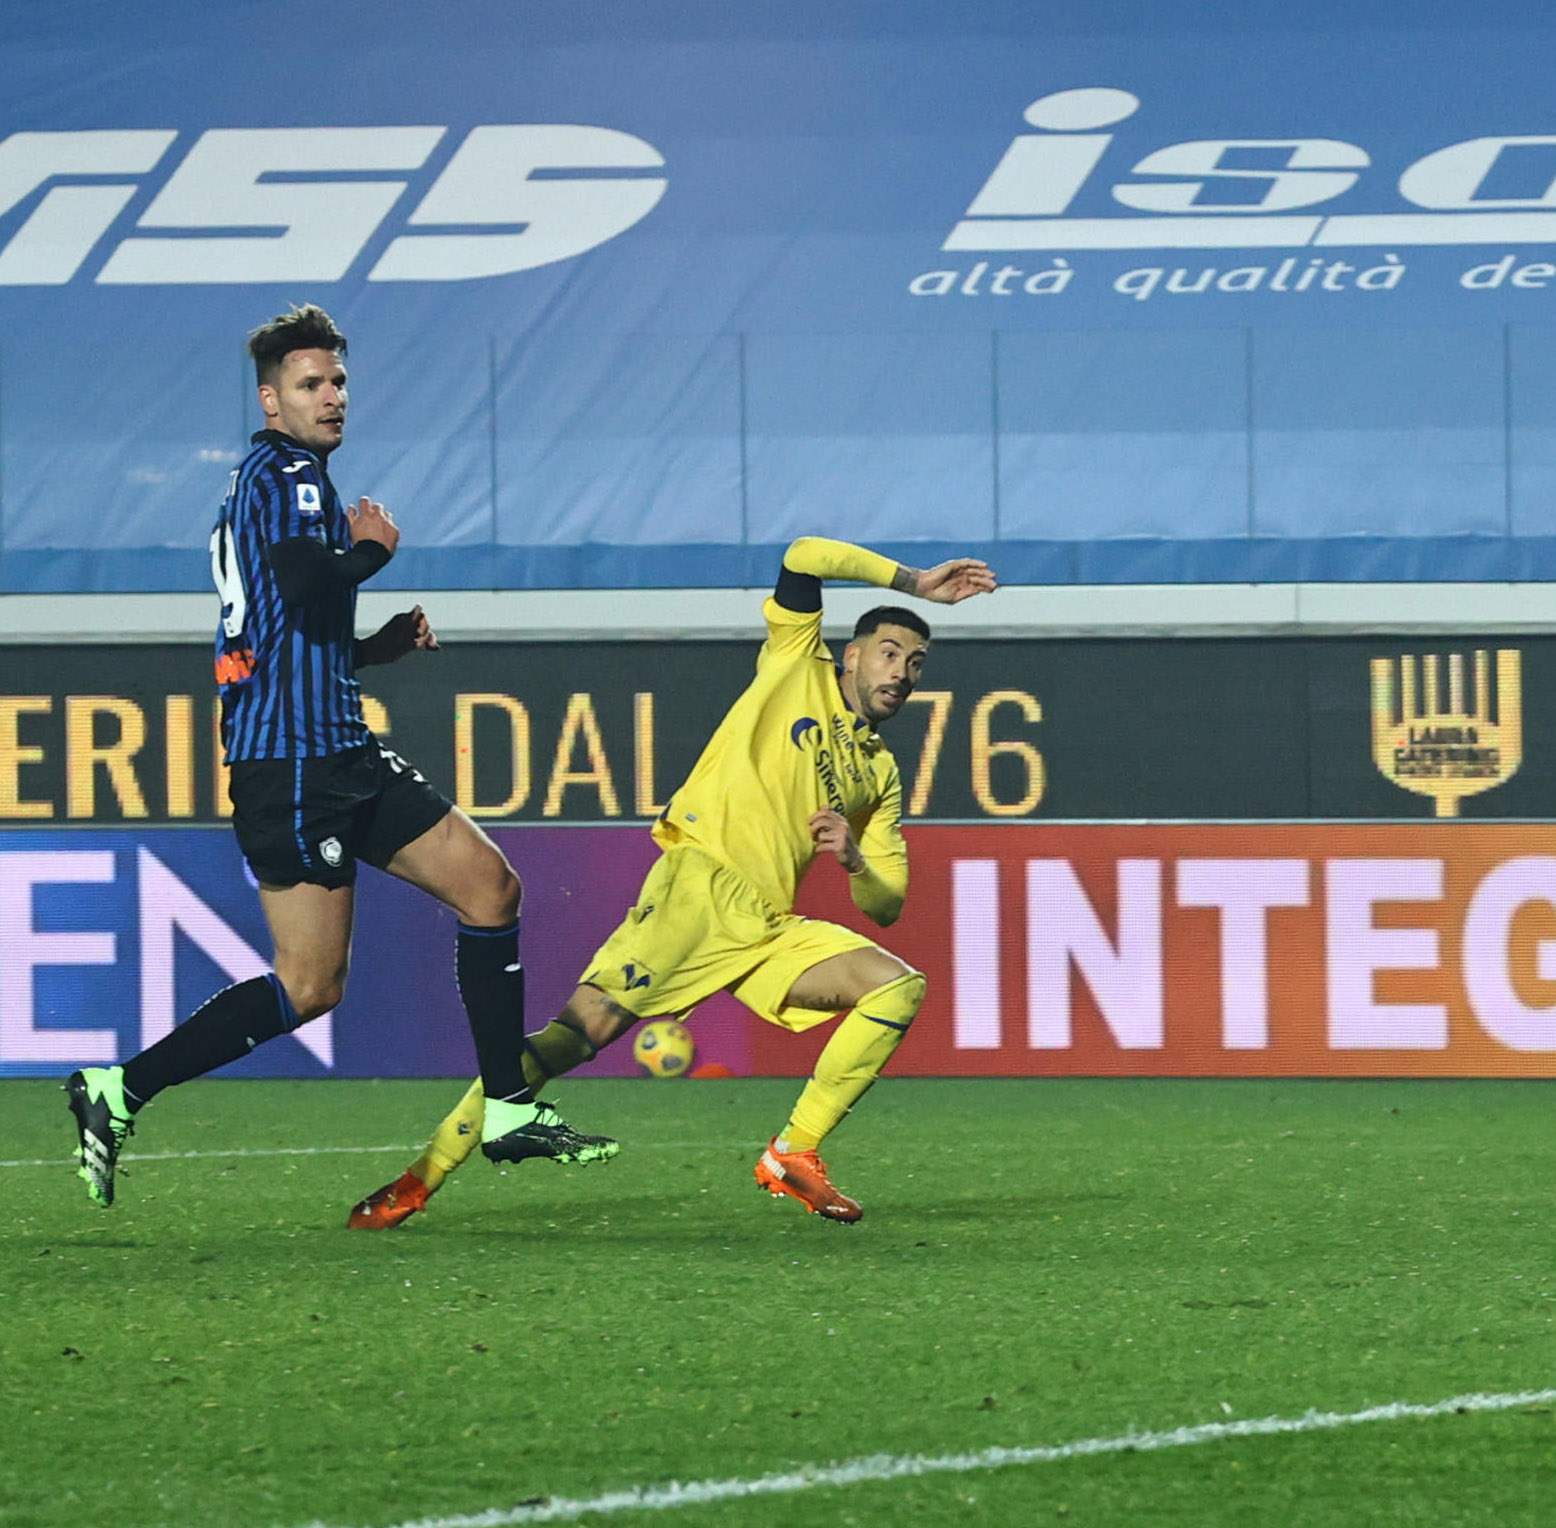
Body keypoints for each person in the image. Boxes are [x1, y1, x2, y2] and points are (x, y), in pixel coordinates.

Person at [65, 304, 609, 1209]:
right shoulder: (291, 478)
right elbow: (308, 580)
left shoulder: (265, 482)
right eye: (311, 384)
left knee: (492, 888)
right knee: (312, 984)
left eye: (339, 381)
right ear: (271, 401)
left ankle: (508, 1109)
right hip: (295, 766)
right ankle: (120, 1088)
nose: (332, 396)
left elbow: (280, 628)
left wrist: (373, 648)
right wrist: (371, 553)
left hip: (335, 750)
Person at [348, 535, 996, 1228]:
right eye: (891, 653)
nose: (902, 672)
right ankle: (419, 1179)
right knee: (573, 1038)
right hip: (697, 892)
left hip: (768, 927)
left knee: (897, 986)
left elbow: (888, 903)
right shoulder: (796, 664)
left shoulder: (879, 773)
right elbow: (805, 554)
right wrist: (914, 582)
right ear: (854, 654)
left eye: (916, 664)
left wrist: (855, 862)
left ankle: (791, 1152)